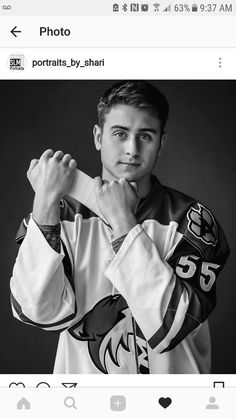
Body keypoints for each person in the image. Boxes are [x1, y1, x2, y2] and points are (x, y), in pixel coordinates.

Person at [10, 80, 229, 374]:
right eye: (120, 134)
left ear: (161, 143)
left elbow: (170, 326)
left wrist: (124, 223)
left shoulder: (192, 221)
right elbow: (36, 311)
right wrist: (45, 203)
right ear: (99, 136)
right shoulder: (60, 216)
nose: (132, 149)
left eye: (146, 136)